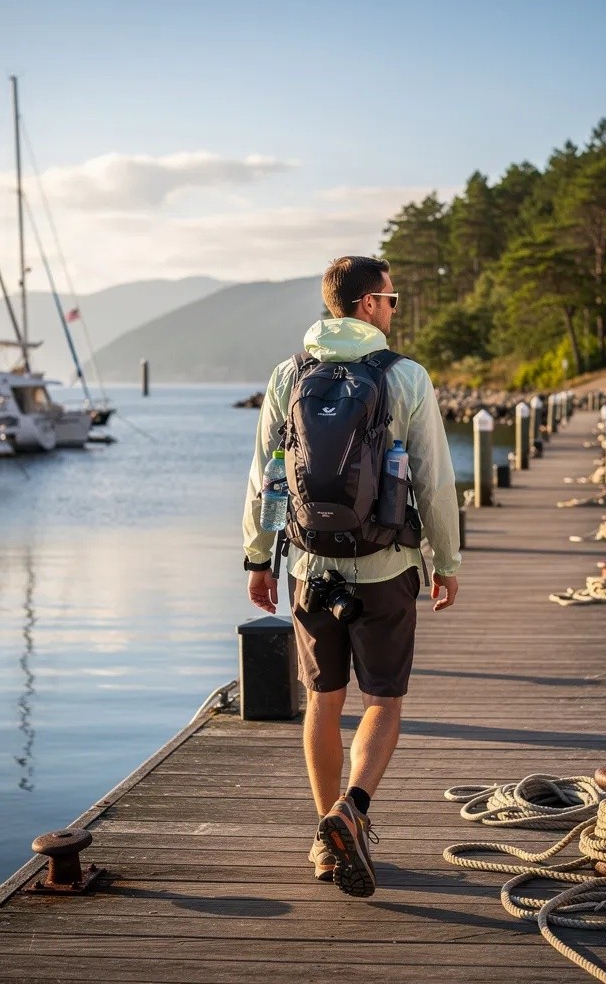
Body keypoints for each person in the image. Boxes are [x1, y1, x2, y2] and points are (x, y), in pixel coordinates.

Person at [242, 255, 461, 898]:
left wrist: (258, 557)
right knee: (383, 700)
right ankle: (352, 810)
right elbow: (433, 480)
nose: (393, 308)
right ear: (368, 303)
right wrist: (446, 561)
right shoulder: (405, 376)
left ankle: (324, 836)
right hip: (386, 564)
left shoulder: (290, 374)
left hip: (310, 566)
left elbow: (266, 473)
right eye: (390, 298)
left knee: (323, 700)